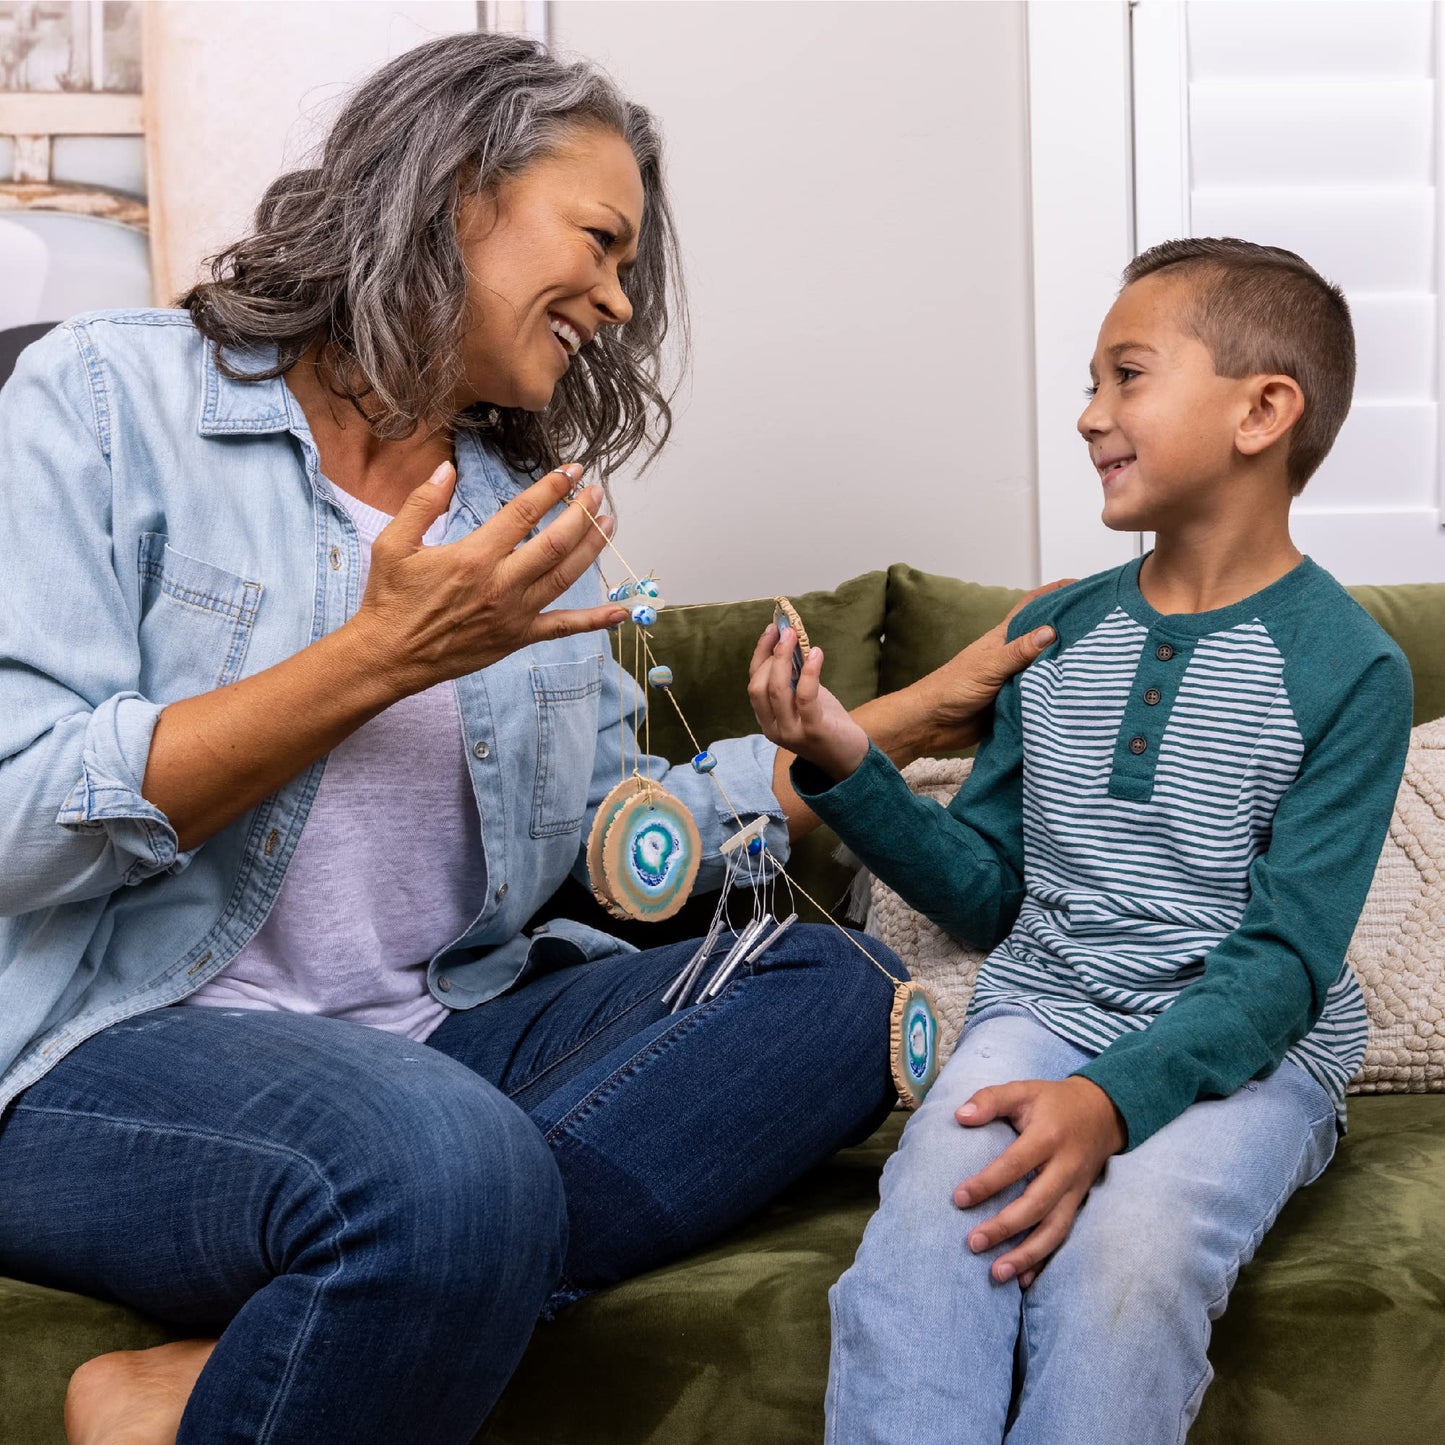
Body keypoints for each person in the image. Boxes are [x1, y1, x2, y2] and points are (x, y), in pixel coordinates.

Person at [0, 31, 1056, 1445]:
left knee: (830, 987)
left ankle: (267, 1347)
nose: (620, 303)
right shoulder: (103, 403)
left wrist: (912, 715)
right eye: (604, 244)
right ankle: (432, 1227)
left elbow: (635, 846)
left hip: (439, 1038)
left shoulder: (527, 524)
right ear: (453, 189)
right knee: (445, 1163)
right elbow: (19, 822)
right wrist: (374, 659)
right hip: (109, 1049)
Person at [751, 236, 1414, 1443]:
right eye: (1089, 382)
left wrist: (1107, 1105)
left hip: (1250, 1045)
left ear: (1262, 410)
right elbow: (989, 894)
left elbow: (1281, 961)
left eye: (1125, 377)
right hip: (1044, 1002)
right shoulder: (1055, 636)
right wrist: (844, 759)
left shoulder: (1349, 668)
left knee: (1131, 1250)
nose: (1085, 415)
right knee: (927, 1229)